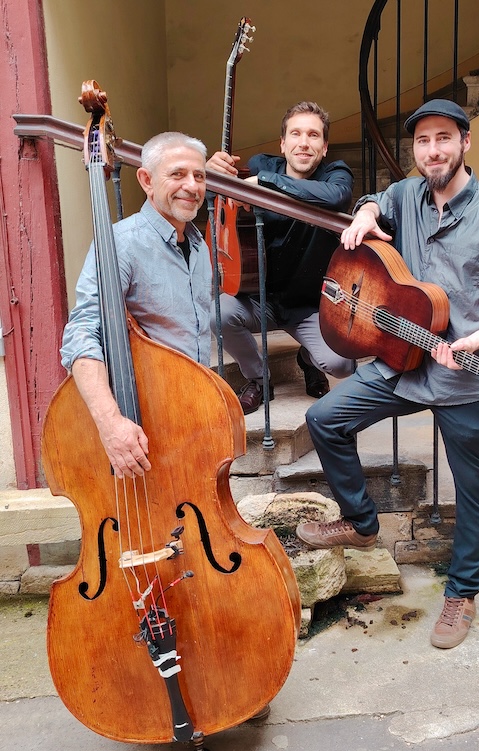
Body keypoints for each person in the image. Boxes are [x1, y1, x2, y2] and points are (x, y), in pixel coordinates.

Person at [295, 99, 479, 649]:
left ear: (465, 143)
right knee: (326, 419)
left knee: (475, 491)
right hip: (402, 363)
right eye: (422, 141)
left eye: (443, 138)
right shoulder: (404, 195)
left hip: (470, 378)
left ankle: (461, 593)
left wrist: (476, 340)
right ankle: (362, 524)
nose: (432, 151)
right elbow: (375, 200)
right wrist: (365, 211)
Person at [60, 132, 212, 480]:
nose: (192, 186)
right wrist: (110, 422)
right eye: (177, 174)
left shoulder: (199, 246)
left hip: (190, 413)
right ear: (146, 180)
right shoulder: (121, 244)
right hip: (141, 418)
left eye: (199, 176)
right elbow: (82, 333)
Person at [206, 100, 355, 414]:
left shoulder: (335, 175)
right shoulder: (261, 164)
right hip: (259, 297)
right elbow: (211, 200)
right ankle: (259, 379)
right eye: (296, 134)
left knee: (342, 364)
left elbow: (335, 197)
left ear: (325, 147)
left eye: (313, 135)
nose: (304, 143)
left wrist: (264, 184)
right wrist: (211, 176)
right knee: (219, 313)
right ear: (283, 144)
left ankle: (307, 359)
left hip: (308, 305)